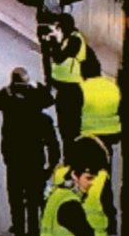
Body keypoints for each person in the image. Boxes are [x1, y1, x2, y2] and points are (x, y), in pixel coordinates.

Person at [0, 67, 60, 236]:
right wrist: (50, 166)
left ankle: (18, 228)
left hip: (13, 157)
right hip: (35, 159)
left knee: (15, 197)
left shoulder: (8, 100)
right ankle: (34, 230)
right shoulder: (42, 118)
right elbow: (53, 144)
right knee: (34, 198)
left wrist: (8, 89)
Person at [11, 0, 94, 82]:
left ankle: (48, 78)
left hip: (43, 28)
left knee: (45, 54)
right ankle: (59, 75)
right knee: (58, 52)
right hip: (58, 29)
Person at [78, 57, 121, 235]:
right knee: (105, 177)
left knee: (89, 177)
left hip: (89, 138)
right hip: (110, 136)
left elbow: (74, 114)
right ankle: (111, 222)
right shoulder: (112, 85)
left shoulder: (82, 88)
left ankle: (89, 211)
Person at [41, 138, 108, 236]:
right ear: (74, 175)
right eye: (89, 178)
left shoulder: (58, 194)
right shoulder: (70, 205)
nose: (92, 183)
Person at [47, 14, 88, 160]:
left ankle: (75, 161)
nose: (56, 30)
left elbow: (59, 58)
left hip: (72, 90)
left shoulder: (75, 40)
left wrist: (55, 41)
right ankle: (69, 160)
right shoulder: (66, 39)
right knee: (64, 130)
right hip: (62, 90)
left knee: (72, 131)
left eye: (58, 27)